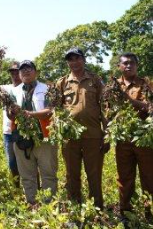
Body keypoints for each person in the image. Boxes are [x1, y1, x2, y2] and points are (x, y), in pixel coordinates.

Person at [56, 47, 107, 209]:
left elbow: (105, 107)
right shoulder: (62, 82)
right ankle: (75, 208)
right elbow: (55, 109)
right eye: (70, 59)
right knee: (72, 174)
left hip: (93, 135)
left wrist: (107, 134)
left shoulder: (95, 80)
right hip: (70, 137)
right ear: (68, 63)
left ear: (84, 60)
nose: (74, 62)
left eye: (77, 58)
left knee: (94, 174)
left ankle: (97, 209)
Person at [8, 60, 57, 205]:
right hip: (22, 139)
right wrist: (12, 113)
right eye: (23, 70)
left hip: (44, 138)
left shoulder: (47, 88)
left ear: (36, 72)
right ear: (19, 73)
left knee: (48, 174)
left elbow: (50, 111)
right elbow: (10, 115)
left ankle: (49, 205)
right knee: (27, 175)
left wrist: (30, 114)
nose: (26, 71)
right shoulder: (14, 91)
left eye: (29, 68)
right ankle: (32, 204)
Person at [112, 53, 153, 223]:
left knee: (149, 177)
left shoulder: (146, 84)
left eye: (132, 63)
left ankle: (150, 212)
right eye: (125, 63)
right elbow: (107, 110)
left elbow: (151, 107)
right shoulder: (113, 86)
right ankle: (126, 213)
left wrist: (129, 100)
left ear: (137, 65)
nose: (128, 66)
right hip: (123, 141)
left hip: (143, 139)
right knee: (125, 178)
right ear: (119, 66)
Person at [1, 62, 22, 185]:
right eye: (12, 72)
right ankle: (17, 186)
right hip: (8, 132)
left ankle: (32, 186)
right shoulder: (5, 88)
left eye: (16, 72)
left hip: (23, 130)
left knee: (26, 160)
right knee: (11, 161)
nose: (14, 75)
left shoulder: (25, 88)